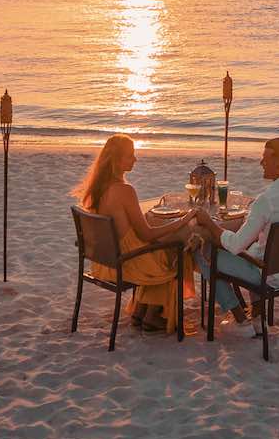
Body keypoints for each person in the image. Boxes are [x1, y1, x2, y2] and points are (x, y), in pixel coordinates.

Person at [73, 135, 198, 335]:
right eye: (130, 156)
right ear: (116, 160)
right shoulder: (124, 190)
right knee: (177, 252)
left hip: (103, 263)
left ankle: (141, 310)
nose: (135, 160)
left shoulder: (98, 187)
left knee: (161, 251)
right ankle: (153, 315)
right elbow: (147, 234)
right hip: (125, 263)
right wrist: (182, 221)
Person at [199, 136, 279, 327]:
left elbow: (237, 245)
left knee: (204, 252)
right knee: (255, 247)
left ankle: (239, 317)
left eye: (265, 158)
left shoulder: (267, 199)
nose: (261, 162)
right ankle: (257, 310)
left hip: (267, 275)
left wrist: (209, 223)